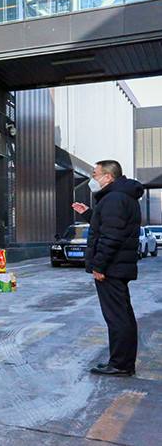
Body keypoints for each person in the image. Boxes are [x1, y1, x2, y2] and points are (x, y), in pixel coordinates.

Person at [73, 160, 143, 377]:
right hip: (118, 266)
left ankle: (121, 364)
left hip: (112, 267)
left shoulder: (114, 198)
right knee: (122, 314)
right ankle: (121, 362)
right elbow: (110, 225)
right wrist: (89, 214)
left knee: (117, 317)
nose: (92, 179)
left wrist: (99, 265)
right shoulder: (120, 197)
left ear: (108, 177)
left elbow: (111, 236)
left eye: (95, 174)